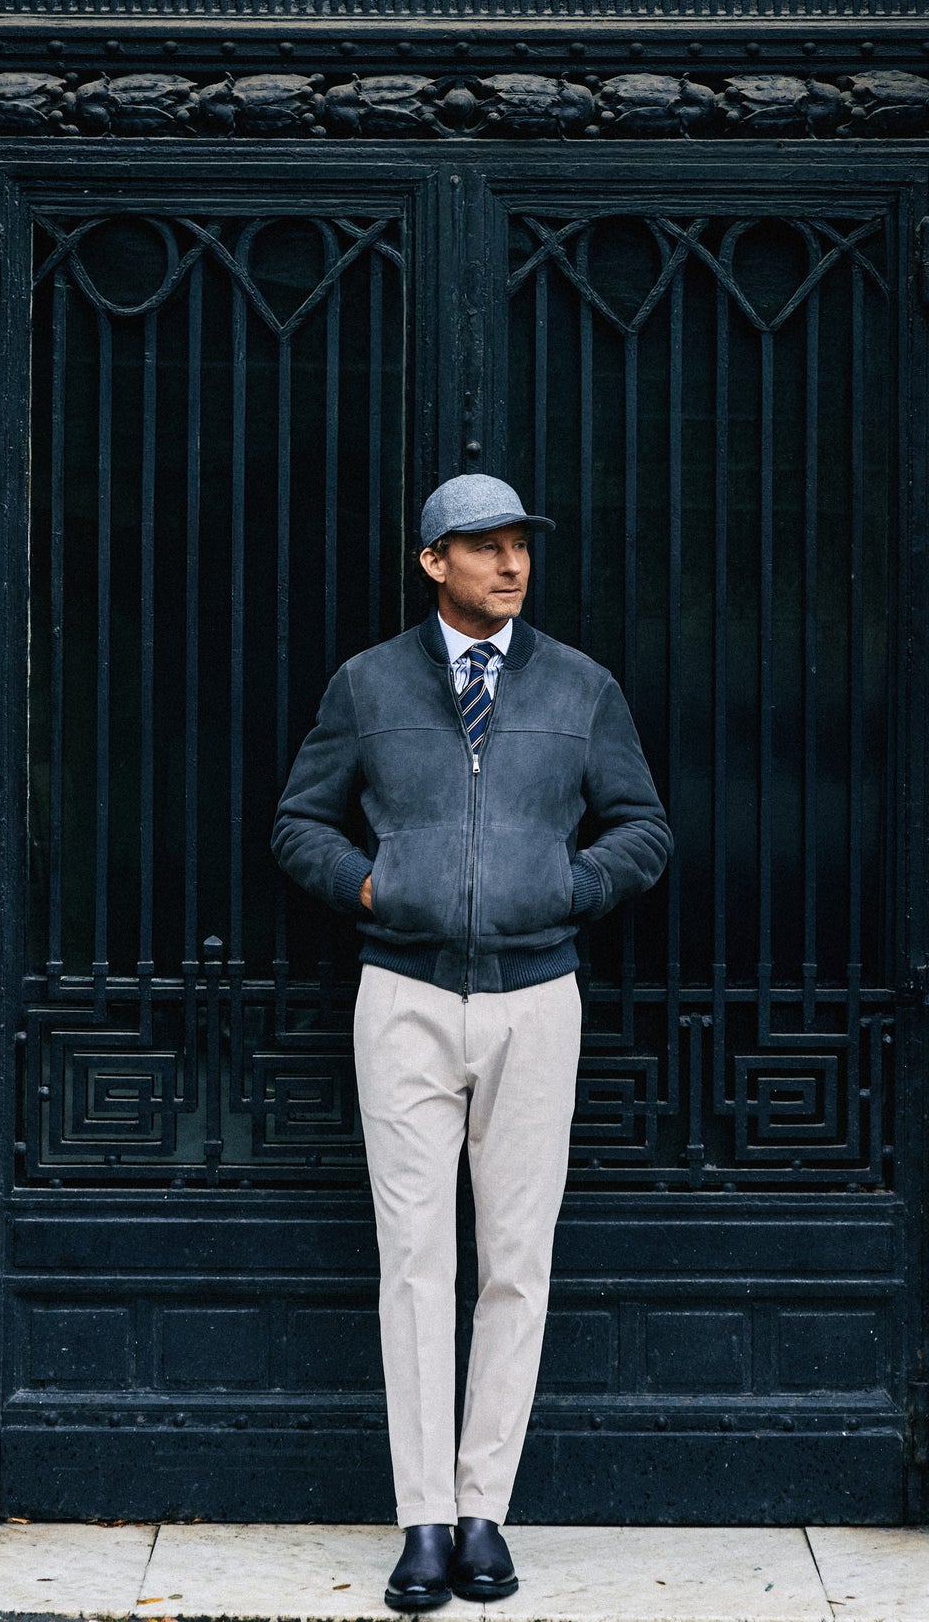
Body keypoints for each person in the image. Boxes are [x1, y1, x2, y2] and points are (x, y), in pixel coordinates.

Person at [271, 474, 672, 1610]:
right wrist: (370, 884)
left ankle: (486, 1506)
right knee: (414, 1263)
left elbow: (643, 826)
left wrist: (568, 883)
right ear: (432, 562)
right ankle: (423, 1524)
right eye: (484, 548)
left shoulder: (580, 688)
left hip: (538, 998)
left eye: (520, 549)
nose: (511, 566)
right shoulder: (368, 685)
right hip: (400, 993)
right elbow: (299, 820)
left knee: (514, 1261)